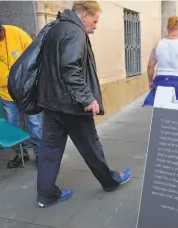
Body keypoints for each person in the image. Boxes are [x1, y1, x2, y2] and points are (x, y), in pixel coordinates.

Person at [36, 1, 132, 208]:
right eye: (95, 21)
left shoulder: (55, 28)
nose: (95, 26)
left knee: (49, 150)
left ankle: (45, 195)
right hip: (71, 105)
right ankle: (110, 181)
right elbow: (69, 67)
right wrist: (87, 98)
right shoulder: (75, 32)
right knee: (91, 146)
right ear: (84, 16)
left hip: (51, 103)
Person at [0, 12, 43, 168]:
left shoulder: (17, 33)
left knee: (34, 123)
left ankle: (40, 154)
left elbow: (36, 56)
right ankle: (21, 155)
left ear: (1, 28)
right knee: (12, 125)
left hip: (26, 90)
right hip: (5, 92)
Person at [143, 16, 178, 107]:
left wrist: (150, 81)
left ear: (167, 28)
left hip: (161, 81)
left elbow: (150, 66)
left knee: (160, 108)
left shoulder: (158, 44)